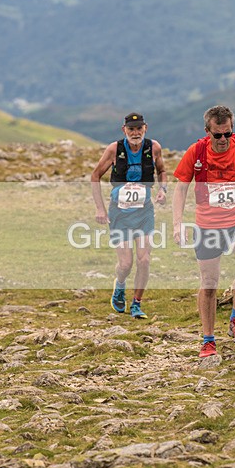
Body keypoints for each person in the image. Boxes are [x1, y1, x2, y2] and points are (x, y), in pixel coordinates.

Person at [172, 105, 235, 358]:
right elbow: (181, 188)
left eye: (227, 134)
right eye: (217, 135)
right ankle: (208, 340)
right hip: (208, 224)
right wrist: (177, 224)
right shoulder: (196, 152)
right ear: (207, 131)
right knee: (209, 285)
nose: (222, 140)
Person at [91, 112, 168, 318]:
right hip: (120, 214)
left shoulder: (154, 147)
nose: (135, 133)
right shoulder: (114, 149)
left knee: (144, 260)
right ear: (124, 130)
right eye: (131, 129)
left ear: (145, 128)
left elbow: (161, 171)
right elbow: (95, 176)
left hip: (144, 212)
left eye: (139, 128)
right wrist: (100, 209)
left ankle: (136, 303)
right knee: (125, 264)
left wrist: (163, 190)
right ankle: (120, 285)